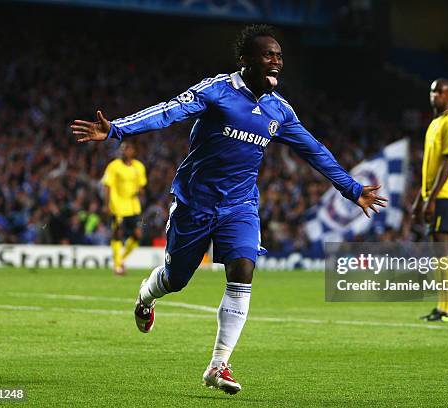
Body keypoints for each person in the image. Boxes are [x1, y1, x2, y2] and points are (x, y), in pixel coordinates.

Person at [71, 24, 387, 394]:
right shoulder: (217, 90)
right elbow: (169, 112)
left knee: (243, 270)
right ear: (245, 60)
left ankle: (219, 364)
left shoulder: (279, 110)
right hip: (195, 202)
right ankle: (146, 295)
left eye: (280, 56)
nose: (276, 61)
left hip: (240, 205)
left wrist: (352, 190)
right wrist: (116, 130)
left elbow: (314, 150)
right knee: (177, 279)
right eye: (268, 55)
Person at [411, 78, 448, 323]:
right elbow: (429, 168)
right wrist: (419, 199)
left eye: (440, 92)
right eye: (433, 91)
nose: (435, 96)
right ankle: (442, 306)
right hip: (434, 194)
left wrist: (431, 199)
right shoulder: (435, 123)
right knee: (437, 249)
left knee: (443, 247)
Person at [101, 141, 147, 275]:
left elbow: (141, 186)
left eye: (127, 149)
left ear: (133, 151)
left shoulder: (139, 167)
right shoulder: (114, 166)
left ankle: (121, 259)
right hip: (117, 206)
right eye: (122, 149)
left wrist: (140, 191)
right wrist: (106, 205)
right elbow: (107, 186)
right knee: (118, 234)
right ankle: (117, 266)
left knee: (138, 235)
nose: (124, 151)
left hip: (133, 206)